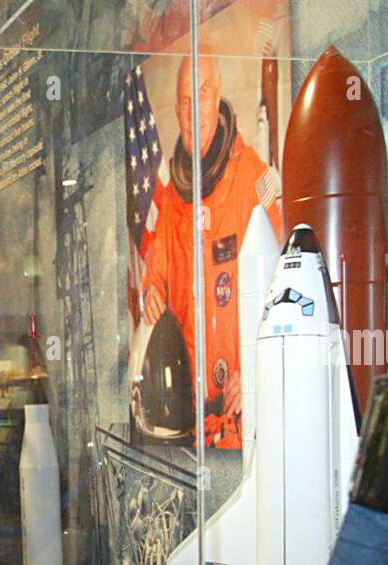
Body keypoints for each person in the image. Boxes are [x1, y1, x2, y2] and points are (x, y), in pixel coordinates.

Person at [140, 54, 283, 448]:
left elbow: (286, 290)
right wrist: (152, 291)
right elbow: (158, 268)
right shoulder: (171, 197)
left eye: (201, 95)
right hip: (191, 414)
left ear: (217, 97)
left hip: (245, 408)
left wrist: (255, 367)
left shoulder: (255, 182)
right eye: (184, 101)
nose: (193, 111)